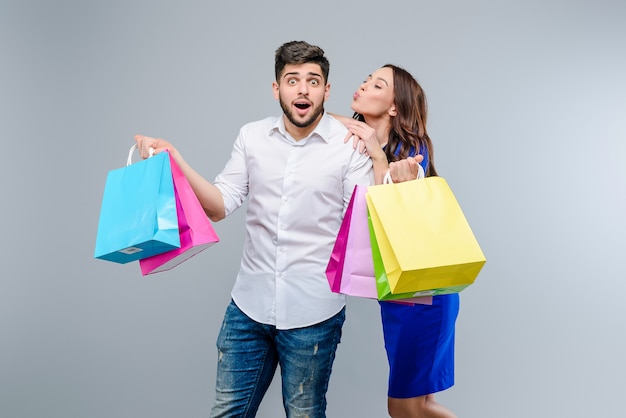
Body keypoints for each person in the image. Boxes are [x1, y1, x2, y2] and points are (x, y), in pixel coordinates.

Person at [134, 41, 373, 417]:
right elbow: (219, 205)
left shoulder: (349, 149)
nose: (303, 89)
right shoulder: (252, 137)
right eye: (292, 80)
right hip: (248, 307)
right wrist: (174, 159)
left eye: (313, 81)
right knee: (227, 412)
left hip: (314, 313)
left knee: (305, 414)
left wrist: (376, 155)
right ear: (277, 89)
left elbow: (361, 228)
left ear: (327, 91)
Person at [333, 64, 459, 418]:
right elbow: (324, 118)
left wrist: (379, 157)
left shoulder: (410, 149)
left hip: (423, 299)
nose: (363, 86)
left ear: (393, 106)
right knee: (423, 404)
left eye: (377, 84)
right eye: (365, 80)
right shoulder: (373, 140)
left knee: (403, 409)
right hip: (405, 295)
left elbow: (389, 199)